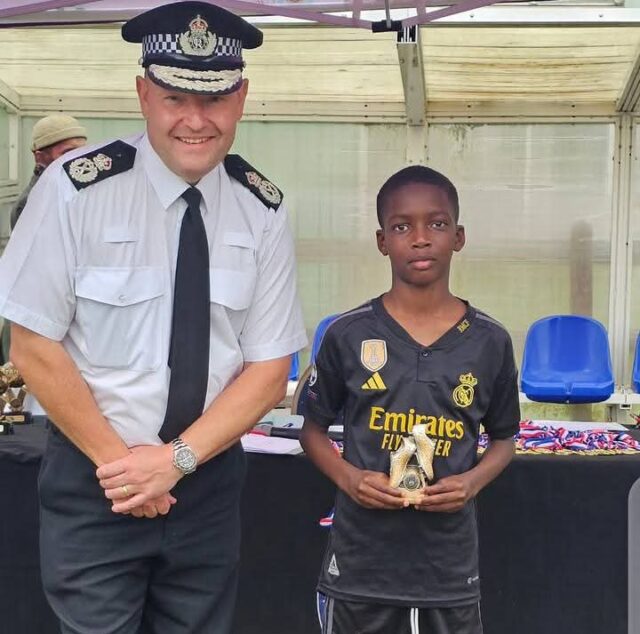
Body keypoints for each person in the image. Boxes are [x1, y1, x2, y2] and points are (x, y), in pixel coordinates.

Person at [0, 2, 306, 633]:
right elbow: (32, 346)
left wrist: (174, 462)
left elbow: (269, 368)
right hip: (96, 481)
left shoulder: (262, 209)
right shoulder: (74, 190)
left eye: (214, 99)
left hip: (206, 486)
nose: (195, 120)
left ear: (241, 98)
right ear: (143, 95)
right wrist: (126, 469)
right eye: (174, 98)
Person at [300, 165, 520, 634]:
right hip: (360, 569)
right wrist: (350, 478)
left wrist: (471, 483)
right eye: (402, 227)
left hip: (448, 571)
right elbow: (311, 431)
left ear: (458, 236)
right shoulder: (348, 333)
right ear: (382, 241)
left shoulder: (490, 341)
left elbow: (505, 439)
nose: (420, 239)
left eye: (436, 224)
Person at [10, 113, 87, 229]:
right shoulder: (31, 205)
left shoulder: (74, 189)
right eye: (68, 152)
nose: (80, 159)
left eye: (84, 151)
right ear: (40, 158)